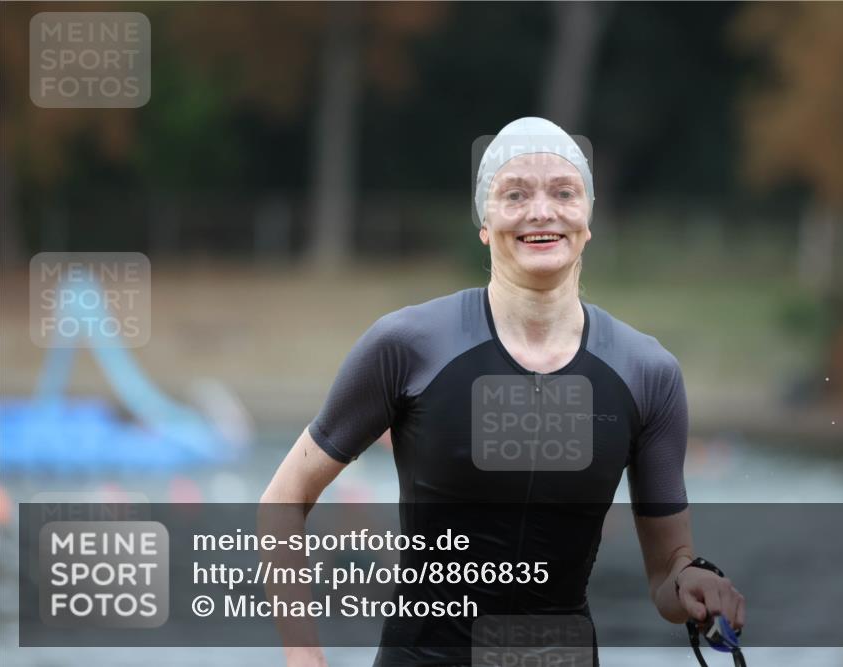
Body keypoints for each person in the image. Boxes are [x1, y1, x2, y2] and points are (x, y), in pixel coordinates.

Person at [262, 117, 746, 666]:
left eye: (564, 193)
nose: (541, 211)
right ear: (484, 224)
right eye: (515, 194)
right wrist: (304, 658)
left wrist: (693, 582)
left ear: (588, 220)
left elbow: (666, 574)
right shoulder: (407, 345)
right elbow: (284, 498)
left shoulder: (647, 372)